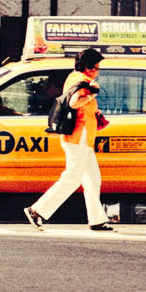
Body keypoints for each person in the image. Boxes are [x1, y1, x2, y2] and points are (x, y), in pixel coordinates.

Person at [25, 47, 112, 232]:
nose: (98, 71)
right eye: (96, 68)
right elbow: (74, 103)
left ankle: (97, 219)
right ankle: (37, 211)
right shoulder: (82, 81)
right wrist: (92, 95)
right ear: (87, 67)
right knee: (72, 178)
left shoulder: (77, 78)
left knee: (92, 179)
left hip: (83, 138)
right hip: (78, 137)